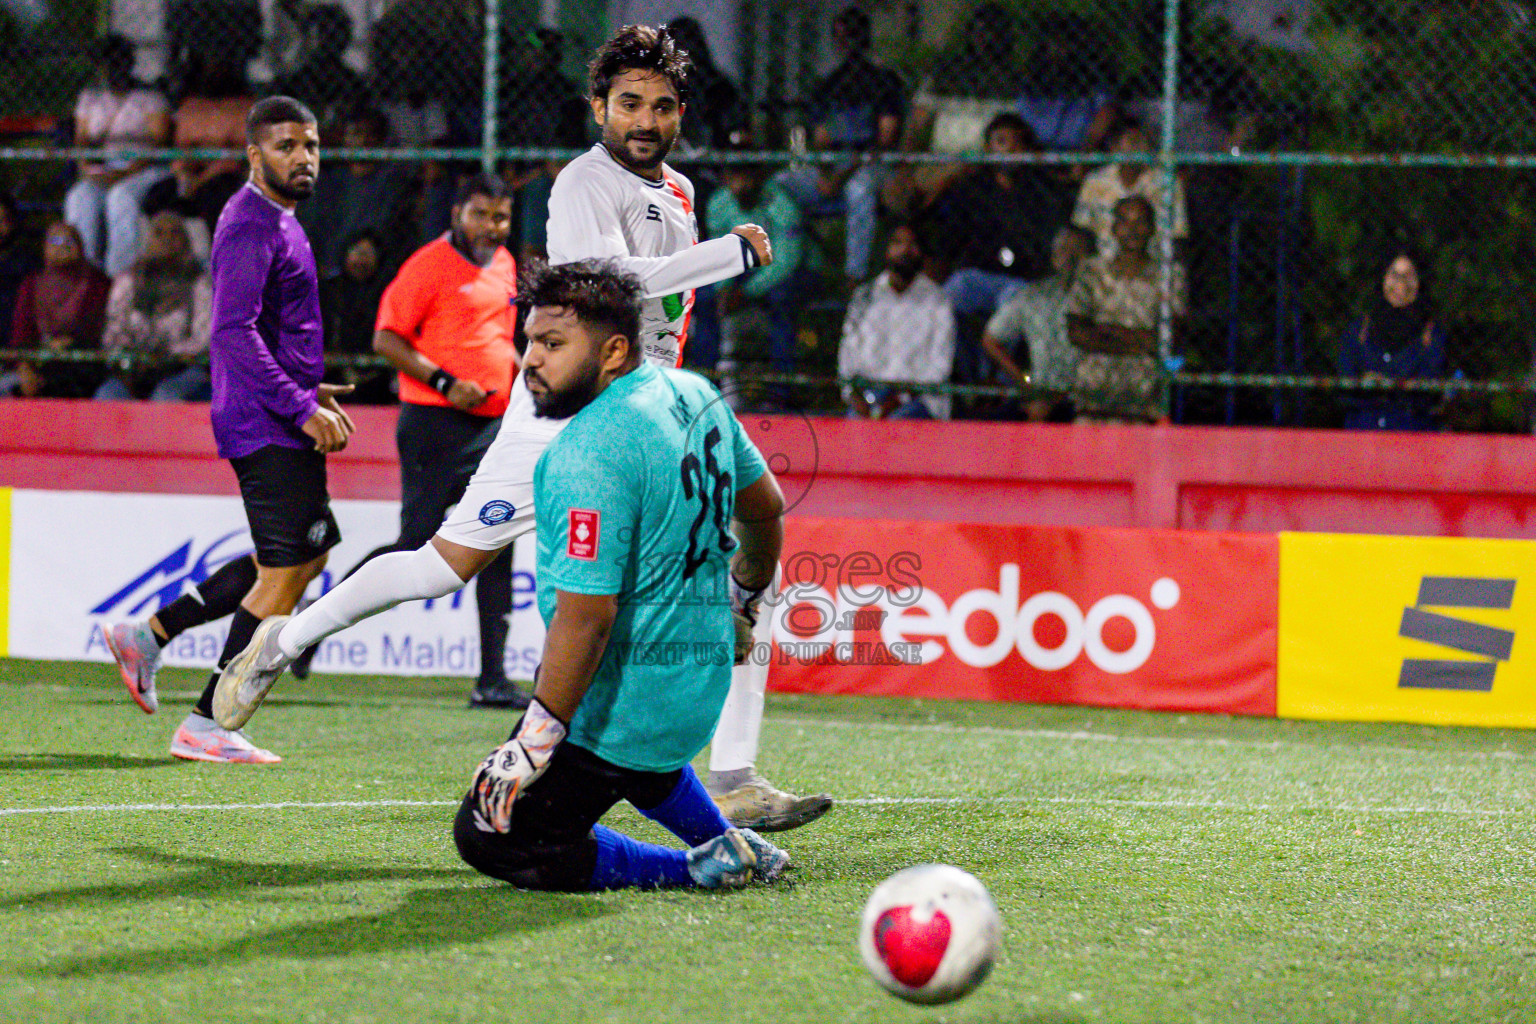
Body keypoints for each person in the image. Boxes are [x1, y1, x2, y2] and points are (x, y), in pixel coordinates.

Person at [213, 26, 831, 833]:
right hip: (562, 418)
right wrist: (725, 255)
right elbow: (608, 284)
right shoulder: (583, 183)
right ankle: (283, 641)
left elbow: (664, 314)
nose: (646, 119)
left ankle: (738, 777)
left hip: (650, 418)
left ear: (681, 114)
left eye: (663, 105)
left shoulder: (679, 193)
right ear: (599, 107)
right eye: (630, 103)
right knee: (443, 565)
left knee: (753, 561)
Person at [219, 261, 793, 890]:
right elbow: (764, 506)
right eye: (527, 342)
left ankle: (694, 868)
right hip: (696, 687)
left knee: (493, 835)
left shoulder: (585, 451)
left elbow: (587, 618)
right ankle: (724, 836)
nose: (528, 361)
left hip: (623, 702)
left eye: (550, 346)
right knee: (632, 743)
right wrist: (742, 600)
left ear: (613, 351)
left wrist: (533, 743)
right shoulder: (696, 393)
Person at [130, 96, 353, 764]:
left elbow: (265, 329)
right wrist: (299, 405)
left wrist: (307, 389)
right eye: (286, 146)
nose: (303, 158)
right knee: (285, 576)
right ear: (255, 155)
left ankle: (152, 638)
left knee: (299, 560)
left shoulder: (277, 219)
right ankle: (208, 721)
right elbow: (231, 330)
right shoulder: (252, 223)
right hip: (267, 424)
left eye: (311, 145)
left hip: (276, 413)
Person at [290, 175, 525, 706]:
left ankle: (493, 680)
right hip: (434, 423)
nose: (493, 227)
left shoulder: (506, 264)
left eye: (502, 217)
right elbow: (386, 338)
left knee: (498, 540)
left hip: (492, 425)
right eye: (483, 215)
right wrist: (444, 381)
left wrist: (525, 376)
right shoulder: (428, 264)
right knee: (415, 544)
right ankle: (312, 623)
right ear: (458, 211)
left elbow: (494, 338)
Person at [774, 7, 906, 285]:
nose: (847, 44)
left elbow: (884, 140)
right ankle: (799, 261)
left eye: (853, 36)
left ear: (866, 39)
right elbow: (820, 142)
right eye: (841, 37)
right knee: (780, 185)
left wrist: (838, 176)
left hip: (871, 164)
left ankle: (854, 276)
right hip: (835, 166)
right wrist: (825, 174)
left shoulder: (884, 82)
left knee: (860, 191)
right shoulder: (829, 85)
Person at [929, 113, 1072, 321]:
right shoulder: (972, 188)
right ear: (988, 148)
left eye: (1018, 143)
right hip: (978, 275)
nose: (1010, 150)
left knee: (1012, 308)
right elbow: (948, 238)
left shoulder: (1040, 190)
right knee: (951, 296)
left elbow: (1046, 241)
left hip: (1020, 280)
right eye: (1002, 142)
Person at [699, 133, 805, 396]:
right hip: (739, 273)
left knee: (783, 301)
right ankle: (704, 390)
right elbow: (718, 254)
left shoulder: (781, 204)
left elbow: (787, 262)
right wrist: (724, 289)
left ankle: (782, 393)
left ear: (759, 174)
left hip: (781, 275)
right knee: (702, 300)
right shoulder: (719, 203)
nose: (741, 183)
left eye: (747, 173)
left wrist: (746, 293)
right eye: (735, 174)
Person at [1066, 195, 1187, 423]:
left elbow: (1167, 339)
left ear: (1152, 228)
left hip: (1143, 402)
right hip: (1092, 398)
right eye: (1125, 222)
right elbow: (1077, 333)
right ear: (1113, 228)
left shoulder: (1169, 275)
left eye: (1140, 222)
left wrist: (1108, 331)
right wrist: (1139, 343)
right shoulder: (1091, 270)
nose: (1132, 230)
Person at [62, 34, 172, 277]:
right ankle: (84, 273)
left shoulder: (150, 98)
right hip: (102, 168)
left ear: (129, 63)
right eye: (106, 63)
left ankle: (119, 276)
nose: (112, 69)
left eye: (118, 62)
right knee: (80, 197)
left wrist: (125, 173)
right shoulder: (90, 98)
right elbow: (81, 140)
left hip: (143, 168)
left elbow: (158, 143)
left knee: (120, 198)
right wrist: (88, 167)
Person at [838, 222, 956, 420]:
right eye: (898, 242)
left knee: (896, 423)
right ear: (885, 250)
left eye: (912, 244)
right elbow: (847, 356)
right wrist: (853, 395)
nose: (905, 250)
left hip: (919, 398)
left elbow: (940, 367)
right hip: (869, 394)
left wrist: (898, 400)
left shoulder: (938, 300)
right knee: (854, 425)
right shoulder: (865, 296)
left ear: (921, 252)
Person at [94, 210, 213, 402]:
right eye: (159, 233)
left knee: (165, 396)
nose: (167, 239)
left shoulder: (199, 283)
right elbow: (113, 331)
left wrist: (164, 357)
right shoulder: (128, 280)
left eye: (175, 233)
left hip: (183, 368)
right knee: (107, 395)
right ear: (148, 241)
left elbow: (203, 339)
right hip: (134, 370)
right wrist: (131, 357)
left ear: (186, 241)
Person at [980, 225, 1095, 421]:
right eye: (1064, 250)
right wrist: (1025, 382)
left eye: (1078, 251)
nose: (1070, 258)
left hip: (1088, 397)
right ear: (1053, 256)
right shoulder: (1033, 295)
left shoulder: (1101, 297)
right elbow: (990, 339)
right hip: (1041, 395)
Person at [141, 55, 259, 242]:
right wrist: (183, 176)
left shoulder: (244, 108)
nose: (213, 76)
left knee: (212, 199)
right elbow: (182, 149)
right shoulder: (191, 106)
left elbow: (233, 156)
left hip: (223, 175)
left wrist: (199, 181)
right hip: (191, 171)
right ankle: (160, 254)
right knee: (157, 196)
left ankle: (212, 258)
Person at [1337, 246, 1446, 431]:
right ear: (1382, 279)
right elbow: (1344, 385)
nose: (1401, 284)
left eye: (1409, 275)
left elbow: (1430, 394)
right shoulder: (1359, 330)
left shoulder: (1432, 334)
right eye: (1394, 275)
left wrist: (1385, 386)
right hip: (1364, 433)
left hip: (1412, 434)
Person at [298, 107, 413, 278]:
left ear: (381, 139)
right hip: (333, 268)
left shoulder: (391, 183)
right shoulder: (328, 182)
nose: (364, 140)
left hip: (376, 267)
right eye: (356, 133)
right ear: (345, 138)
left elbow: (394, 230)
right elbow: (315, 228)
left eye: (371, 134)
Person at [2, 221, 110, 399]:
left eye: (70, 241)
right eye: (56, 241)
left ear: (81, 247)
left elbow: (96, 330)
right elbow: (21, 334)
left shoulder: (98, 283)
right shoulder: (31, 285)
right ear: (45, 248)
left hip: (82, 368)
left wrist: (69, 343)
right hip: (38, 363)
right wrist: (25, 368)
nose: (63, 247)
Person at [1071, 118, 1189, 261]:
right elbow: (1082, 230)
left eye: (1146, 143)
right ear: (1114, 148)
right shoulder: (1096, 181)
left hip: (1154, 266)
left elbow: (1177, 236)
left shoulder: (1167, 183)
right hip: (1104, 265)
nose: (1141, 149)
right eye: (1134, 142)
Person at [318, 229, 393, 404]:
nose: (361, 260)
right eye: (357, 252)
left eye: (368, 254)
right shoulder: (329, 290)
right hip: (333, 373)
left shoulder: (385, 292)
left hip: (376, 377)